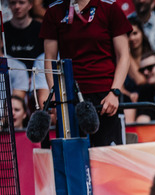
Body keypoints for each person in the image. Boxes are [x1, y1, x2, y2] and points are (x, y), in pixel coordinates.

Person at [41, 0, 131, 146]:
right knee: (72, 160)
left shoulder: (109, 7)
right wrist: (58, 99)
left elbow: (124, 55)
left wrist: (115, 92)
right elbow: (50, 60)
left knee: (108, 160)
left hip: (105, 96)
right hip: (69, 97)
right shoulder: (54, 11)